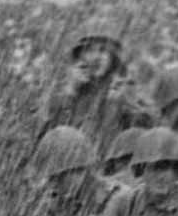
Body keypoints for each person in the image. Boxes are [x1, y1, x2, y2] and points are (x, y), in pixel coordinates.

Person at [44, 21, 152, 150]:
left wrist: (116, 105)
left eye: (102, 50)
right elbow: (53, 139)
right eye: (89, 50)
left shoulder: (125, 88)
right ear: (80, 56)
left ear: (112, 56)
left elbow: (144, 130)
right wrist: (70, 91)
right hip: (76, 164)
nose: (96, 57)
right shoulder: (70, 93)